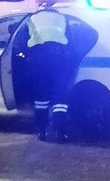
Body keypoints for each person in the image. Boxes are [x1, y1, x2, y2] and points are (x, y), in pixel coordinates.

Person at [24, 9, 78, 141]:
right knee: (60, 96)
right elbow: (71, 39)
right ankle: (60, 132)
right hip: (60, 59)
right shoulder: (62, 18)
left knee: (41, 98)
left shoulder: (31, 19)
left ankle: (42, 132)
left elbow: (22, 41)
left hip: (38, 60)